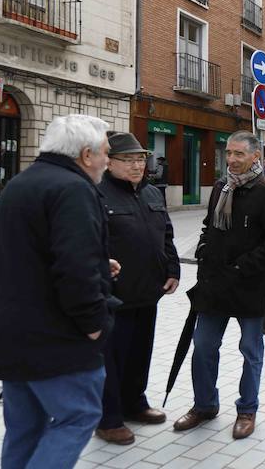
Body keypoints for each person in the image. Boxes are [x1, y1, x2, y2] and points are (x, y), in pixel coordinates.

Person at [0, 114, 117, 468]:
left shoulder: (21, 184)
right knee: (76, 418)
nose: (108, 161)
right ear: (85, 155)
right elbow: (73, 269)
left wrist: (98, 264)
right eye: (105, 152)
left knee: (24, 428)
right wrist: (94, 323)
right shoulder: (74, 189)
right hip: (58, 339)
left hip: (14, 335)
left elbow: (30, 253)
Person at [173, 131, 265, 440]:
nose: (232, 160)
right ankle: (205, 405)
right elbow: (209, 225)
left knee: (251, 350)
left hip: (249, 286)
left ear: (255, 157)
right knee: (204, 346)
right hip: (214, 286)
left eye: (239, 154)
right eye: (230, 154)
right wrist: (202, 249)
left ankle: (247, 409)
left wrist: (242, 266)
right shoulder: (221, 187)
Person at [95, 133, 181, 445]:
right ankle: (109, 418)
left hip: (149, 291)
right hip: (115, 294)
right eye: (128, 159)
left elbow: (167, 235)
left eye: (141, 159)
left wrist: (173, 269)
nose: (136, 165)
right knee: (112, 358)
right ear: (110, 162)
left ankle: (135, 403)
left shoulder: (152, 194)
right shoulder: (97, 194)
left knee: (140, 353)